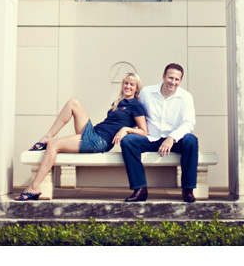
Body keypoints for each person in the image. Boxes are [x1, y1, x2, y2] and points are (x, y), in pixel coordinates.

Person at [15, 72, 147, 201]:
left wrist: (126, 129)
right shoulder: (119, 102)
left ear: (136, 88)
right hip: (94, 133)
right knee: (73, 102)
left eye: (132, 84)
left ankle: (34, 187)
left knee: (53, 145)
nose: (128, 86)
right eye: (126, 83)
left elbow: (143, 131)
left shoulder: (135, 105)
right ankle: (47, 137)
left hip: (99, 141)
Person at [120, 63, 199, 202]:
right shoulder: (147, 93)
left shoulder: (186, 97)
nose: (173, 82)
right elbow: (137, 113)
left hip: (174, 141)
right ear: (163, 76)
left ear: (180, 81)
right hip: (151, 138)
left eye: (176, 79)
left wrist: (172, 137)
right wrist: (130, 128)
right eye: (170, 78)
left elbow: (189, 123)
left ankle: (188, 190)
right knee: (128, 141)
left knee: (191, 140)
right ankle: (140, 189)